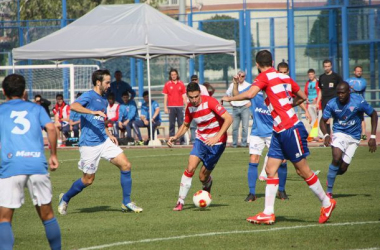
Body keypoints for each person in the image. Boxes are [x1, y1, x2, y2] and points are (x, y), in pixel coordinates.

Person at [222, 50, 336, 225]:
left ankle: (326, 202)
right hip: (278, 130)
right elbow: (303, 97)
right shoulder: (284, 77)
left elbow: (250, 94)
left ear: (257, 65)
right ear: (273, 61)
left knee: (302, 170)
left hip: (290, 128)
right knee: (270, 169)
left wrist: (229, 97)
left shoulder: (265, 76)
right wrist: (288, 105)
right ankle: (268, 212)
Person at [58, 69, 143, 215]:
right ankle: (65, 198)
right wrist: (92, 112)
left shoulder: (103, 99)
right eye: (107, 82)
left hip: (103, 141)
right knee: (88, 180)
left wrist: (109, 134)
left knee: (126, 165)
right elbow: (74, 106)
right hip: (89, 144)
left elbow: (100, 121)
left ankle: (126, 202)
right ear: (98, 82)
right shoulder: (89, 96)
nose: (109, 85)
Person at [0, 74, 61, 250]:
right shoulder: (36, 108)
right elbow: (51, 128)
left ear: (4, 92)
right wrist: (53, 155)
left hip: (11, 166)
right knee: (48, 215)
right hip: (36, 165)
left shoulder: (2, 110)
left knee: (4, 219)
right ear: (24, 91)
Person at [169, 82, 233, 211]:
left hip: (217, 143)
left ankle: (207, 184)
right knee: (190, 167)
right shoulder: (189, 107)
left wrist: (217, 137)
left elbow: (228, 118)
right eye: (190, 97)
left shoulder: (211, 102)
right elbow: (186, 125)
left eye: (196, 97)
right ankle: (180, 201)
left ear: (200, 93)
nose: (193, 100)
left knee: (202, 177)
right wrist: (175, 136)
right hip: (201, 140)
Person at [320, 81, 377, 198]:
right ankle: (329, 192)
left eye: (343, 93)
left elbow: (374, 114)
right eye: (338, 93)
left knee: (342, 169)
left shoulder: (358, 101)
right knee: (336, 157)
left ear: (349, 92)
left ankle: (332, 175)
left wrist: (372, 136)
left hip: (354, 137)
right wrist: (326, 135)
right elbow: (323, 120)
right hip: (339, 132)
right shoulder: (332, 104)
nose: (340, 95)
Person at [224, 70, 251, 148]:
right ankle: (235, 144)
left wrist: (250, 103)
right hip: (235, 108)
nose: (240, 77)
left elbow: (253, 95)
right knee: (235, 127)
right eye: (239, 75)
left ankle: (243, 143)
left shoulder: (248, 85)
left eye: (242, 76)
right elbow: (227, 94)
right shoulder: (233, 85)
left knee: (245, 127)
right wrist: (231, 102)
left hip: (244, 107)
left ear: (245, 77)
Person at [317, 59, 343, 135]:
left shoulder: (336, 76)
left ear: (331, 66)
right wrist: (318, 102)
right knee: (325, 119)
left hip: (334, 101)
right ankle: (327, 137)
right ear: (323, 67)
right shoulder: (321, 77)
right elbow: (320, 91)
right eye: (325, 66)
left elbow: (341, 87)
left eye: (328, 66)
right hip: (324, 101)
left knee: (337, 117)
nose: (327, 68)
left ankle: (338, 135)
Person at [162, 69, 187, 145]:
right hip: (171, 107)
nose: (173, 76)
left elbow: (184, 96)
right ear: (170, 75)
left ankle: (182, 141)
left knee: (181, 124)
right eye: (172, 75)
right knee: (172, 124)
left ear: (177, 75)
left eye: (175, 74)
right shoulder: (167, 84)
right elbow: (165, 97)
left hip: (179, 107)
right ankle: (171, 141)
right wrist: (165, 107)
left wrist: (186, 106)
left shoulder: (181, 84)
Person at [346, 66, 368, 140]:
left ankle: (363, 135)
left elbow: (359, 88)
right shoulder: (349, 80)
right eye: (357, 71)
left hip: (360, 102)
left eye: (360, 71)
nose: (359, 72)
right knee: (349, 117)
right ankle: (350, 133)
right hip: (351, 102)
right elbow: (345, 86)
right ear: (354, 72)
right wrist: (349, 88)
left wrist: (351, 87)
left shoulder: (363, 81)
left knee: (361, 118)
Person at [189, 74, 209, 144]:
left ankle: (205, 139)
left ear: (198, 80)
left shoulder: (202, 88)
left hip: (202, 109)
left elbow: (207, 98)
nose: (194, 81)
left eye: (195, 79)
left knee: (205, 124)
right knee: (192, 125)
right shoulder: (189, 88)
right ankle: (193, 141)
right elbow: (187, 100)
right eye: (193, 80)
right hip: (193, 109)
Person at [304, 69, 323, 141]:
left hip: (316, 104)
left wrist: (317, 102)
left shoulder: (318, 82)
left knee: (318, 119)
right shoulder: (307, 83)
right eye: (309, 75)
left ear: (314, 74)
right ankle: (314, 135)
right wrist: (306, 99)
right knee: (312, 120)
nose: (310, 76)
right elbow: (306, 93)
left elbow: (320, 92)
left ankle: (321, 135)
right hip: (309, 103)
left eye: (312, 74)